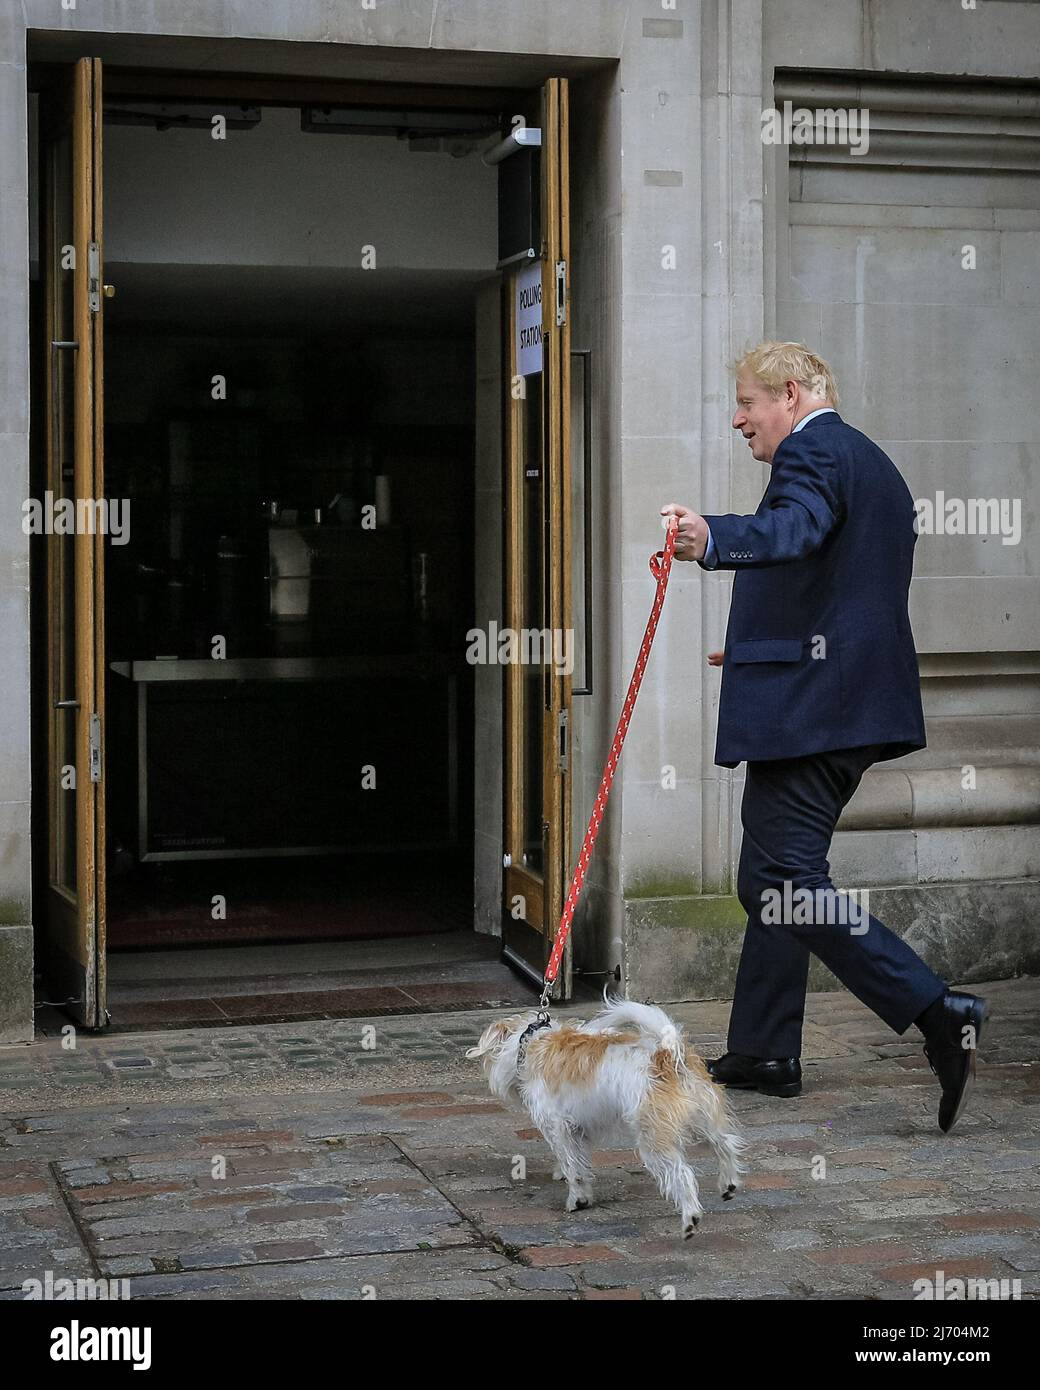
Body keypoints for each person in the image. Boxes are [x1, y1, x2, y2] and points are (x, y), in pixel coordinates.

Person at [660, 341, 986, 1133]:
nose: (738, 419)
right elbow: (841, 587)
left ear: (795, 394)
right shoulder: (867, 460)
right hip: (832, 700)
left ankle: (936, 1009)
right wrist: (759, 649)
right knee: (772, 874)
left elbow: (793, 531)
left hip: (818, 714)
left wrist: (711, 539)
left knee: (779, 876)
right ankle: (767, 1051)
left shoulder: (813, 453)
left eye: (748, 402)